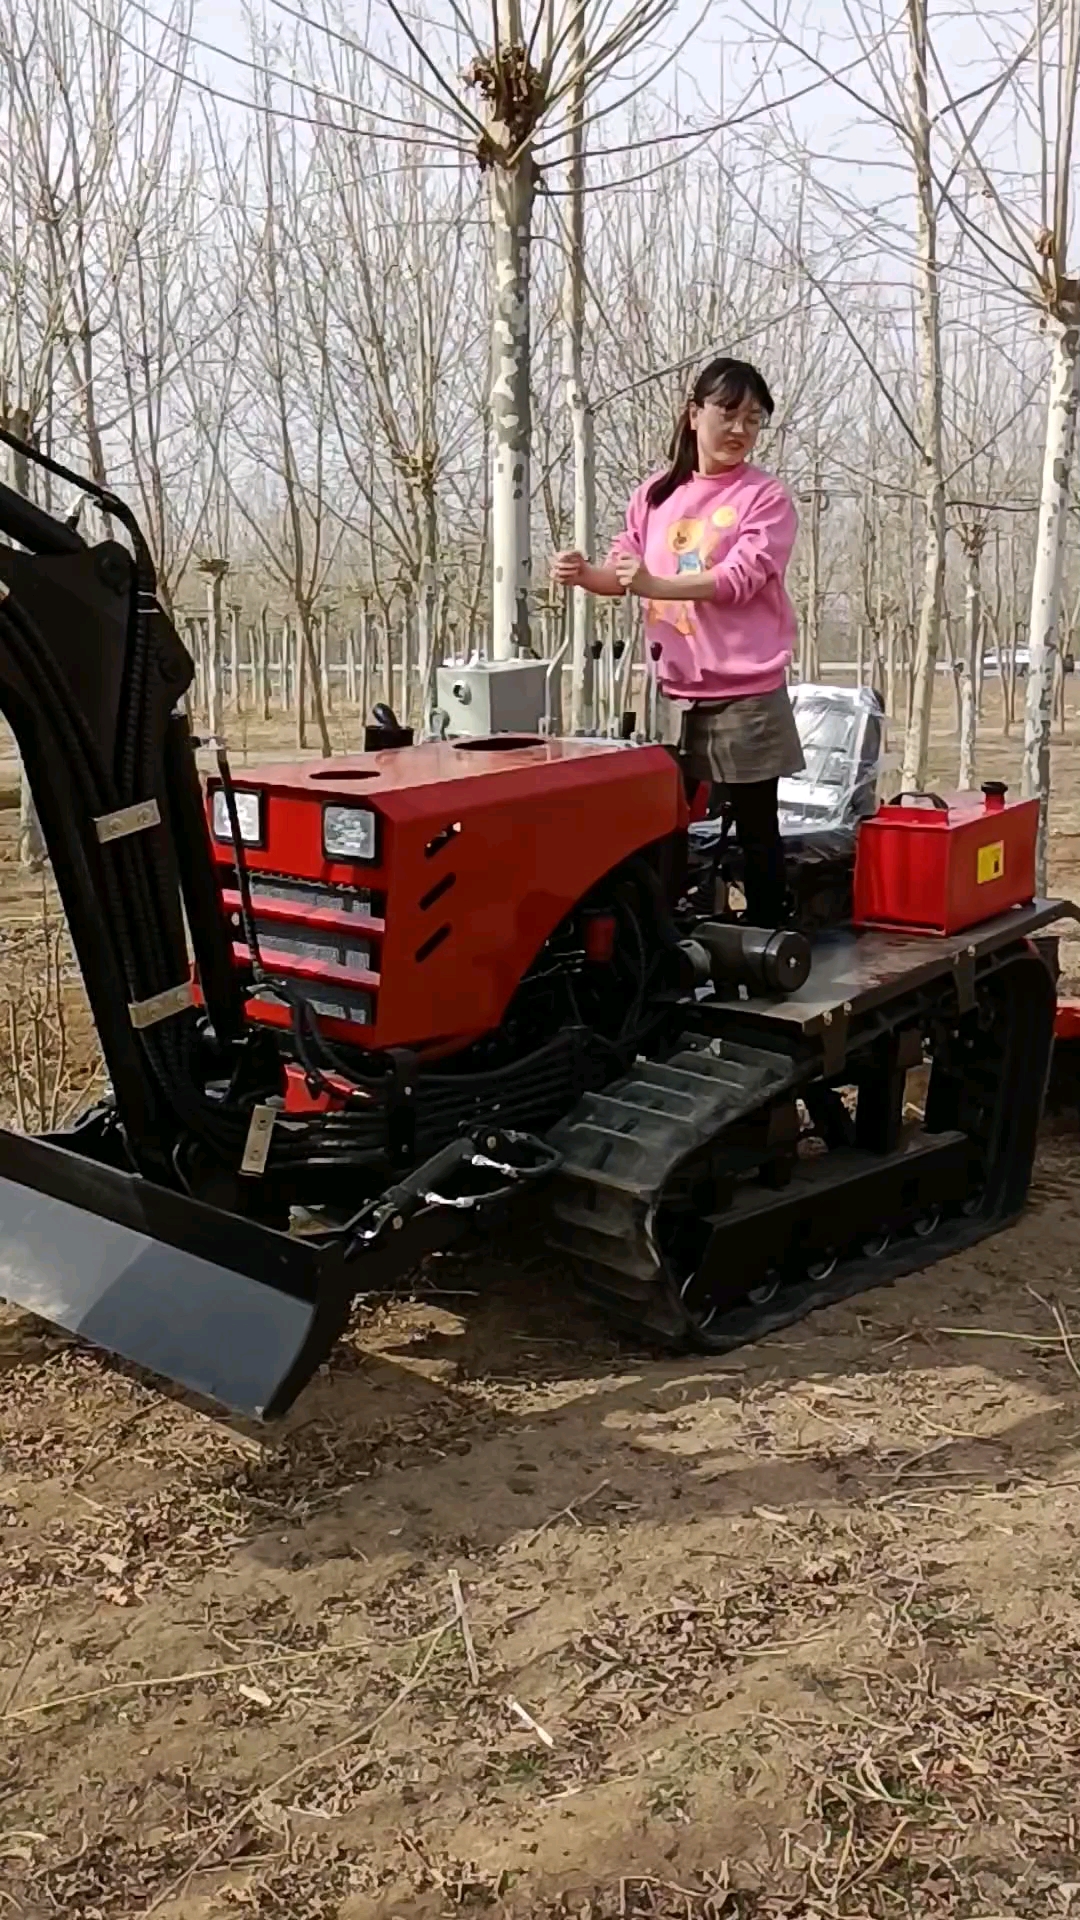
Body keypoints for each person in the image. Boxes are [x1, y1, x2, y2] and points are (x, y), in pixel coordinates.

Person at [551, 355, 805, 928]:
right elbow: (620, 574)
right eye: (728, 413)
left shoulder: (764, 498)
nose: (740, 430)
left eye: (754, 420)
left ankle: (768, 935)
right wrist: (580, 572)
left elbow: (740, 579)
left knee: (755, 821)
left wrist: (653, 582)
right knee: (664, 822)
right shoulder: (655, 495)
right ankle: (662, 940)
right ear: (694, 415)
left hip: (745, 688)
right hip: (672, 690)